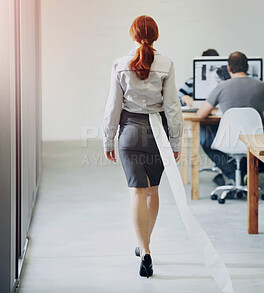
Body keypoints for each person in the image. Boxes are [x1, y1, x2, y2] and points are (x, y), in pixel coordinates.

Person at [103, 15, 183, 278]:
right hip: (156, 133)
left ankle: (144, 249)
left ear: (133, 35)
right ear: (155, 35)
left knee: (136, 191)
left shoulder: (119, 64)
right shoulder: (166, 63)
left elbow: (113, 106)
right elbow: (172, 107)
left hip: (129, 131)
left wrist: (108, 138)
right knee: (152, 191)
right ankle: (145, 243)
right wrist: (175, 141)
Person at [196, 51, 264, 182]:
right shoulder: (262, 86)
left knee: (205, 140)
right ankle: (244, 174)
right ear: (247, 67)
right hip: (254, 140)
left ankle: (232, 173)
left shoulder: (221, 87)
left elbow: (201, 114)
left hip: (228, 140)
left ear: (228, 68)